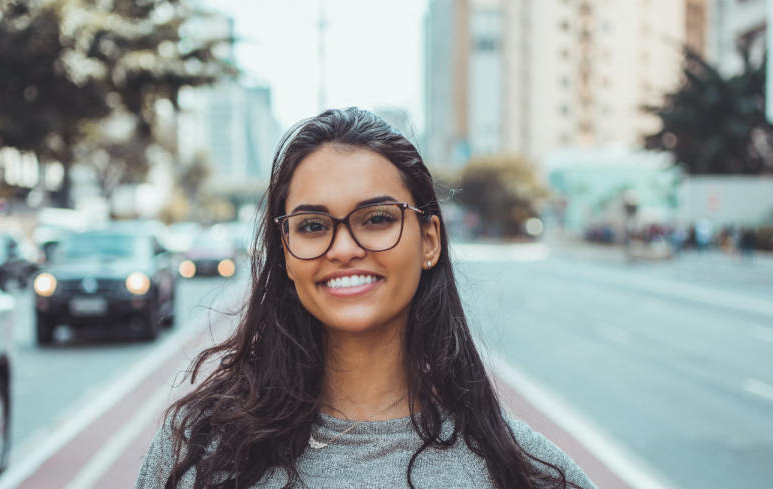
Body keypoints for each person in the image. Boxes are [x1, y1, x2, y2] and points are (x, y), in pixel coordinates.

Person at [135, 108, 596, 489]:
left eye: (376, 219)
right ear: (286, 254)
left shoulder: (526, 473)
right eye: (313, 226)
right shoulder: (196, 452)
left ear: (429, 240)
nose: (343, 248)